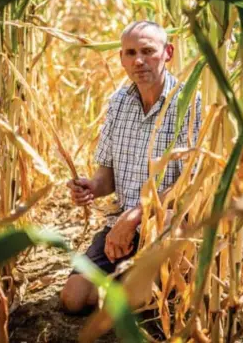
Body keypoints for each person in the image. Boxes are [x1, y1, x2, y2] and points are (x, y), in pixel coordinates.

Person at [60, 21, 201, 314]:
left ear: (168, 53)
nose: (138, 60)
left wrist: (135, 217)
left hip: (168, 225)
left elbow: (193, 187)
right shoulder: (118, 103)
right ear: (121, 59)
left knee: (129, 303)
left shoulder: (192, 104)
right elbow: (107, 174)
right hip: (121, 226)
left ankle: (163, 282)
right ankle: (135, 280)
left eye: (148, 51)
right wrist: (91, 187)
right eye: (130, 53)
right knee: (73, 298)